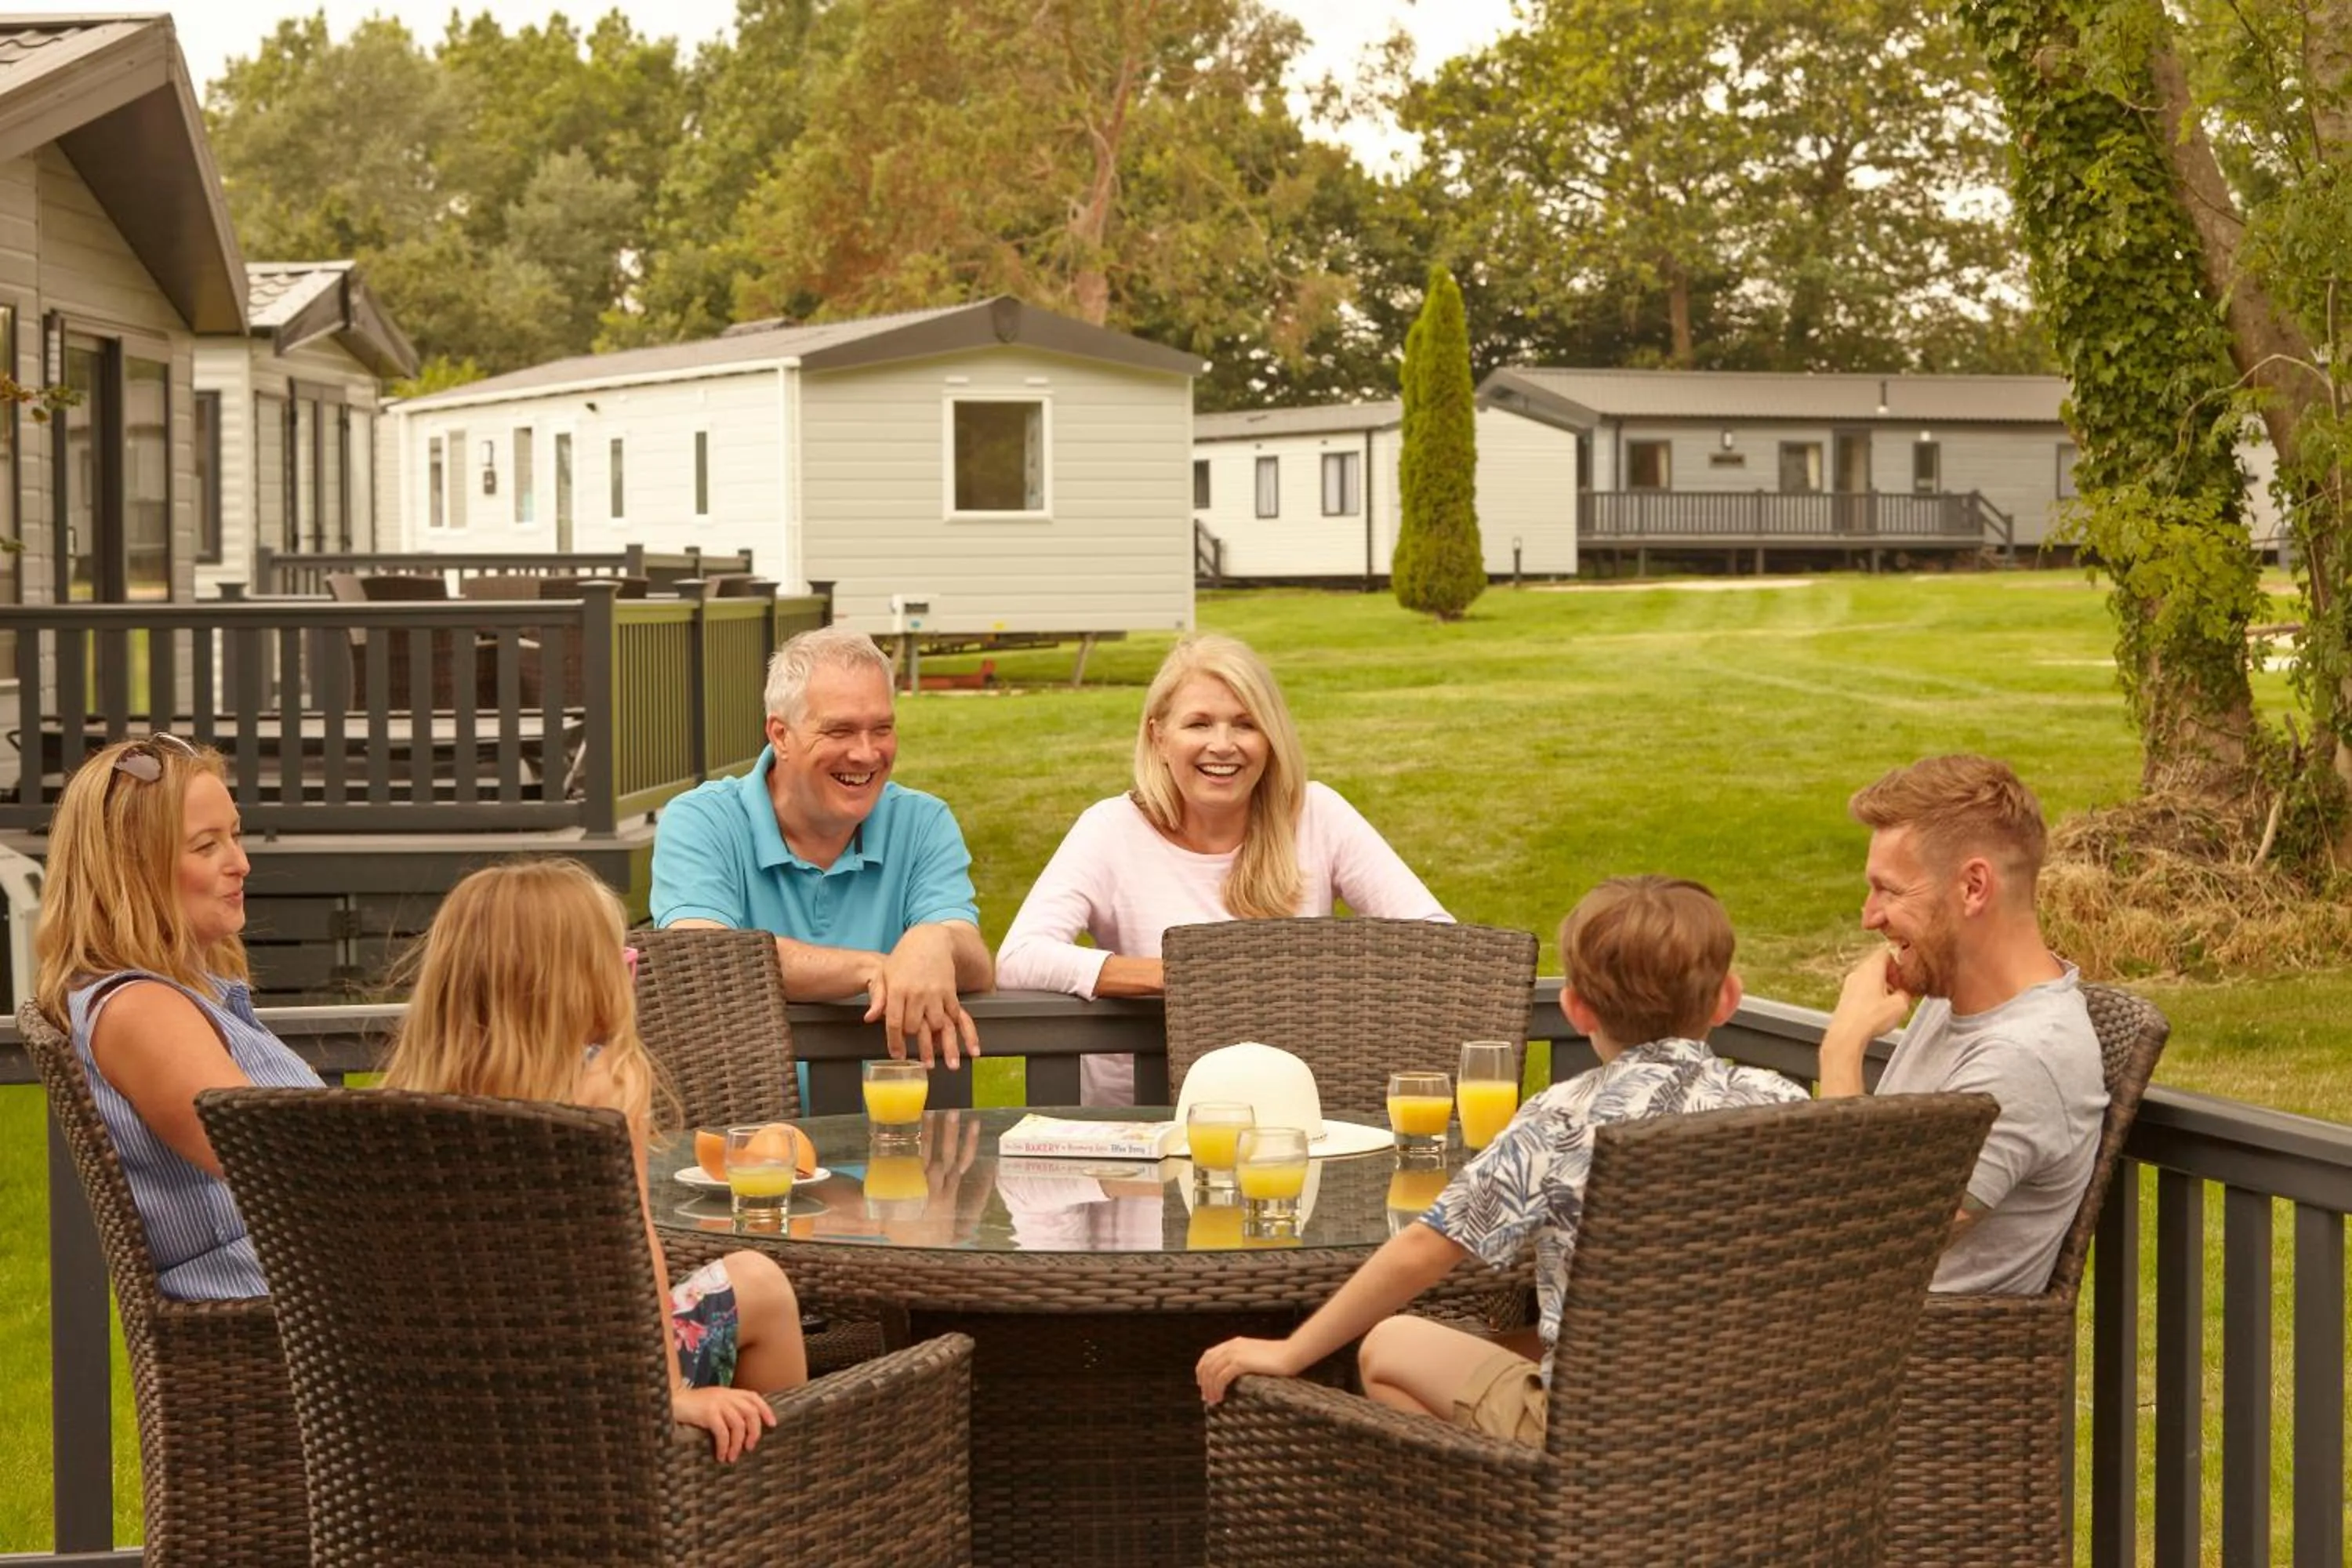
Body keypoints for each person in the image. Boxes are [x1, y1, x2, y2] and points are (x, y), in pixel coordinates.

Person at [1195, 877, 1806, 1441]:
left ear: (1575, 1008)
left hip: (1601, 1434)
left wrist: (1289, 1352)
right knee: (1510, 1341)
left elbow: (1424, 1248)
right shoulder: (1784, 1103)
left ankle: (1515, 1520)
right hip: (1759, 1416)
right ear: (1727, 998)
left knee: (1390, 1344)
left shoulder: (1562, 1119)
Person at [379, 858, 808, 1461]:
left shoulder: (404, 1104)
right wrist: (667, 1392)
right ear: (574, 987)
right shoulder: (602, 1091)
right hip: (589, 1382)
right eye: (622, 964)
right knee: (759, 1282)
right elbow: (633, 1254)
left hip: (446, 1388)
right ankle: (773, 1495)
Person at [996, 633, 1448, 1103]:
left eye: (1245, 724)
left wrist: (1324, 976)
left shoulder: (1317, 813)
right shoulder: (1111, 828)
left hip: (1291, 1124)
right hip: (1140, 1126)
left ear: (1270, 738)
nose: (1223, 745)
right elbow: (1020, 957)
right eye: (1199, 724)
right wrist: (1177, 974)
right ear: (1159, 736)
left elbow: (1439, 940)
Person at [32, 735, 325, 1301]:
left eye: (234, 836)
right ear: (132, 869)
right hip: (286, 1322)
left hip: (313, 1306)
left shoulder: (178, 995)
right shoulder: (142, 1011)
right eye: (206, 846)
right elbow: (284, 1168)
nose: (240, 863)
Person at [1816, 754, 2106, 1295]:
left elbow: (1865, 1248)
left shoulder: (2025, 1060)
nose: (1869, 916)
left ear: (1973, 887)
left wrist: (1841, 1051)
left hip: (1901, 1366)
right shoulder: (1953, 999)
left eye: (1891, 890)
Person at [651, 625, 990, 1067]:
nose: (866, 754)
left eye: (882, 729)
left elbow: (977, 964)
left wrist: (936, 942)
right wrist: (876, 969)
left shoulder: (923, 821)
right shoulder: (702, 819)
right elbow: (701, 956)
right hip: (745, 1123)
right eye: (840, 732)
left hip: (896, 1127)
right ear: (780, 735)